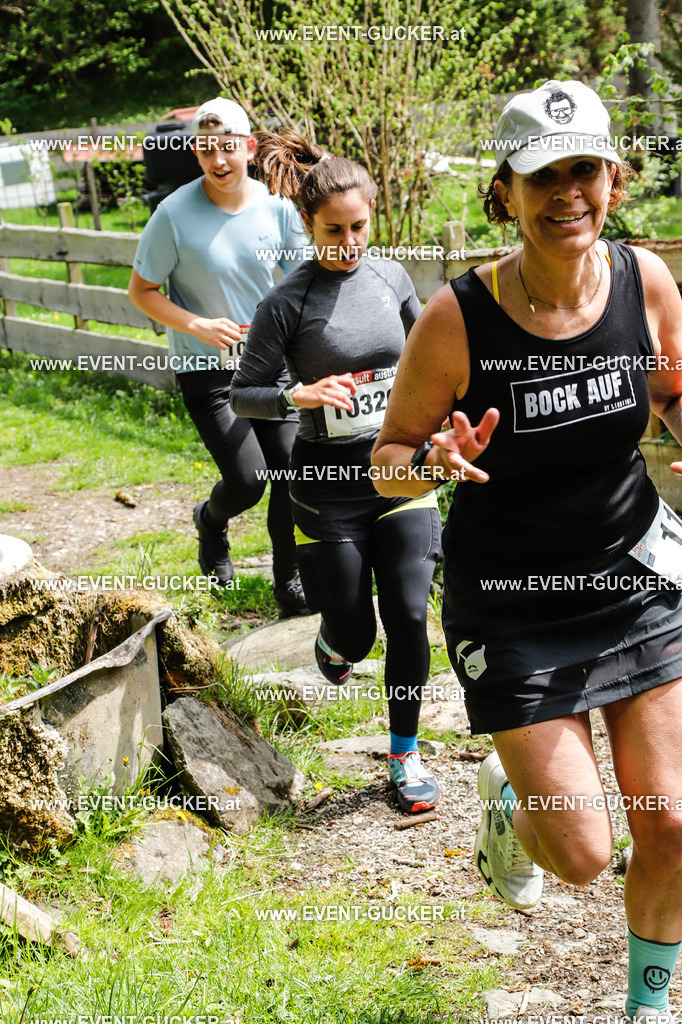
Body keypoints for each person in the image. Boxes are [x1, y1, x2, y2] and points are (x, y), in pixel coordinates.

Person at [372, 79, 682, 1023]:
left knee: (672, 820)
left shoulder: (646, 281)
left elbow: (671, 393)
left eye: (583, 169)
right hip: (511, 600)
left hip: (637, 570)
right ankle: (507, 794)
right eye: (542, 175)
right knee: (583, 854)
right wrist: (431, 462)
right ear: (505, 191)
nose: (567, 194)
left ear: (614, 180)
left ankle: (650, 1005)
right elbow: (386, 464)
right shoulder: (458, 318)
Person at [229, 130, 443, 813]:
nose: (348, 243)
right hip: (325, 489)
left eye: (359, 228)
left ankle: (404, 756)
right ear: (306, 225)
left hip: (401, 474)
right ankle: (334, 640)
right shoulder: (286, 302)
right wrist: (300, 395)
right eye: (333, 231)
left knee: (410, 614)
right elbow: (242, 392)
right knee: (357, 634)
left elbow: (430, 356)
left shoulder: (393, 278)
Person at [129, 97, 309, 618]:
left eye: (228, 148)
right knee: (248, 482)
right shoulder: (173, 214)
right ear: (196, 152)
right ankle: (211, 521)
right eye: (207, 150)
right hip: (206, 371)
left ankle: (289, 581)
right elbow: (141, 291)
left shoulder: (276, 207)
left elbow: (301, 284)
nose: (219, 160)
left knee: (291, 475)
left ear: (249, 148)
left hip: (270, 367)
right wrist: (197, 325)